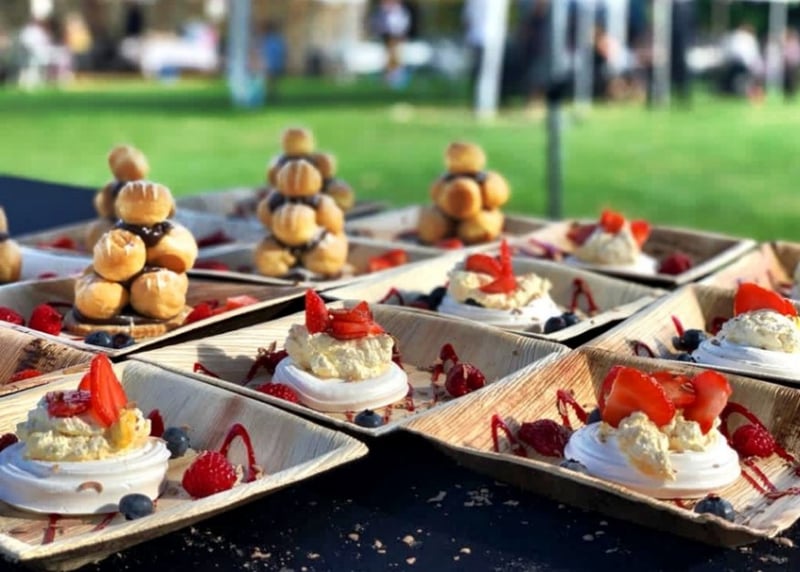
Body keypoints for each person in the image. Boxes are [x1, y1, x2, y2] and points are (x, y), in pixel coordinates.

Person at [719, 22, 764, 101]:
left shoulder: (735, 36)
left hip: (734, 62)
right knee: (749, 81)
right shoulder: (748, 38)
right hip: (746, 63)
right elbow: (753, 53)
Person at [372, 0, 411, 88]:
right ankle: (389, 78)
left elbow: (403, 23)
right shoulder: (383, 10)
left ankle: (395, 77)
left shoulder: (400, 10)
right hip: (387, 35)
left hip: (397, 35)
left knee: (396, 56)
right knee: (390, 56)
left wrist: (400, 33)